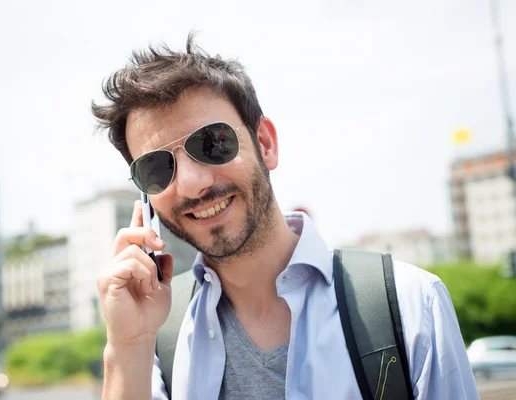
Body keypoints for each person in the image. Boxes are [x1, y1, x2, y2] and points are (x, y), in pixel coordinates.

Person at [92, 35, 478, 400]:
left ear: (265, 144)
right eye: (157, 168)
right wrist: (127, 345)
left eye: (212, 143)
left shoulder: (411, 305)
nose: (193, 184)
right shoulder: (156, 336)